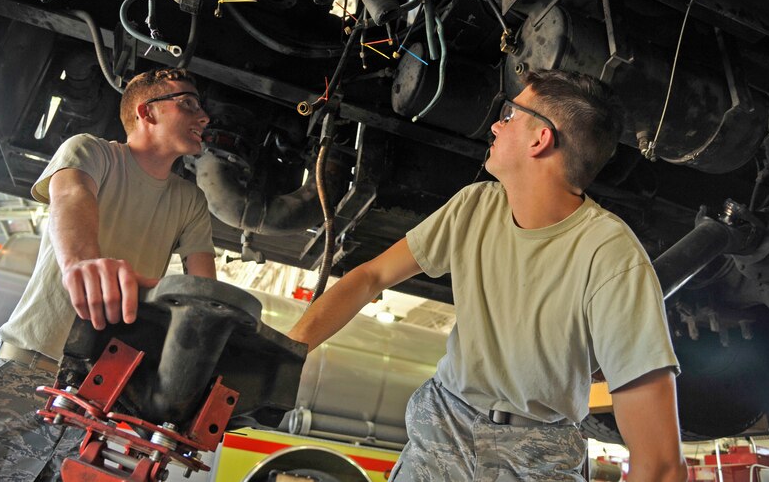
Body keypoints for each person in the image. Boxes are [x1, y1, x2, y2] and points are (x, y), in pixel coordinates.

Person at [287, 69, 687, 482]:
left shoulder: (612, 257)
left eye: (510, 115)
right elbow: (370, 276)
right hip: (443, 426)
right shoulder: (475, 207)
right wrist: (284, 354)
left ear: (540, 139)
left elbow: (660, 464)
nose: (496, 124)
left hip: (536, 458)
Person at [0, 67, 217, 481]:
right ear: (146, 112)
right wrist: (82, 262)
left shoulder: (190, 201)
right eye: (188, 103)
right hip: (29, 370)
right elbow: (71, 193)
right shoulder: (91, 151)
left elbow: (203, 292)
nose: (204, 116)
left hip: (99, 390)